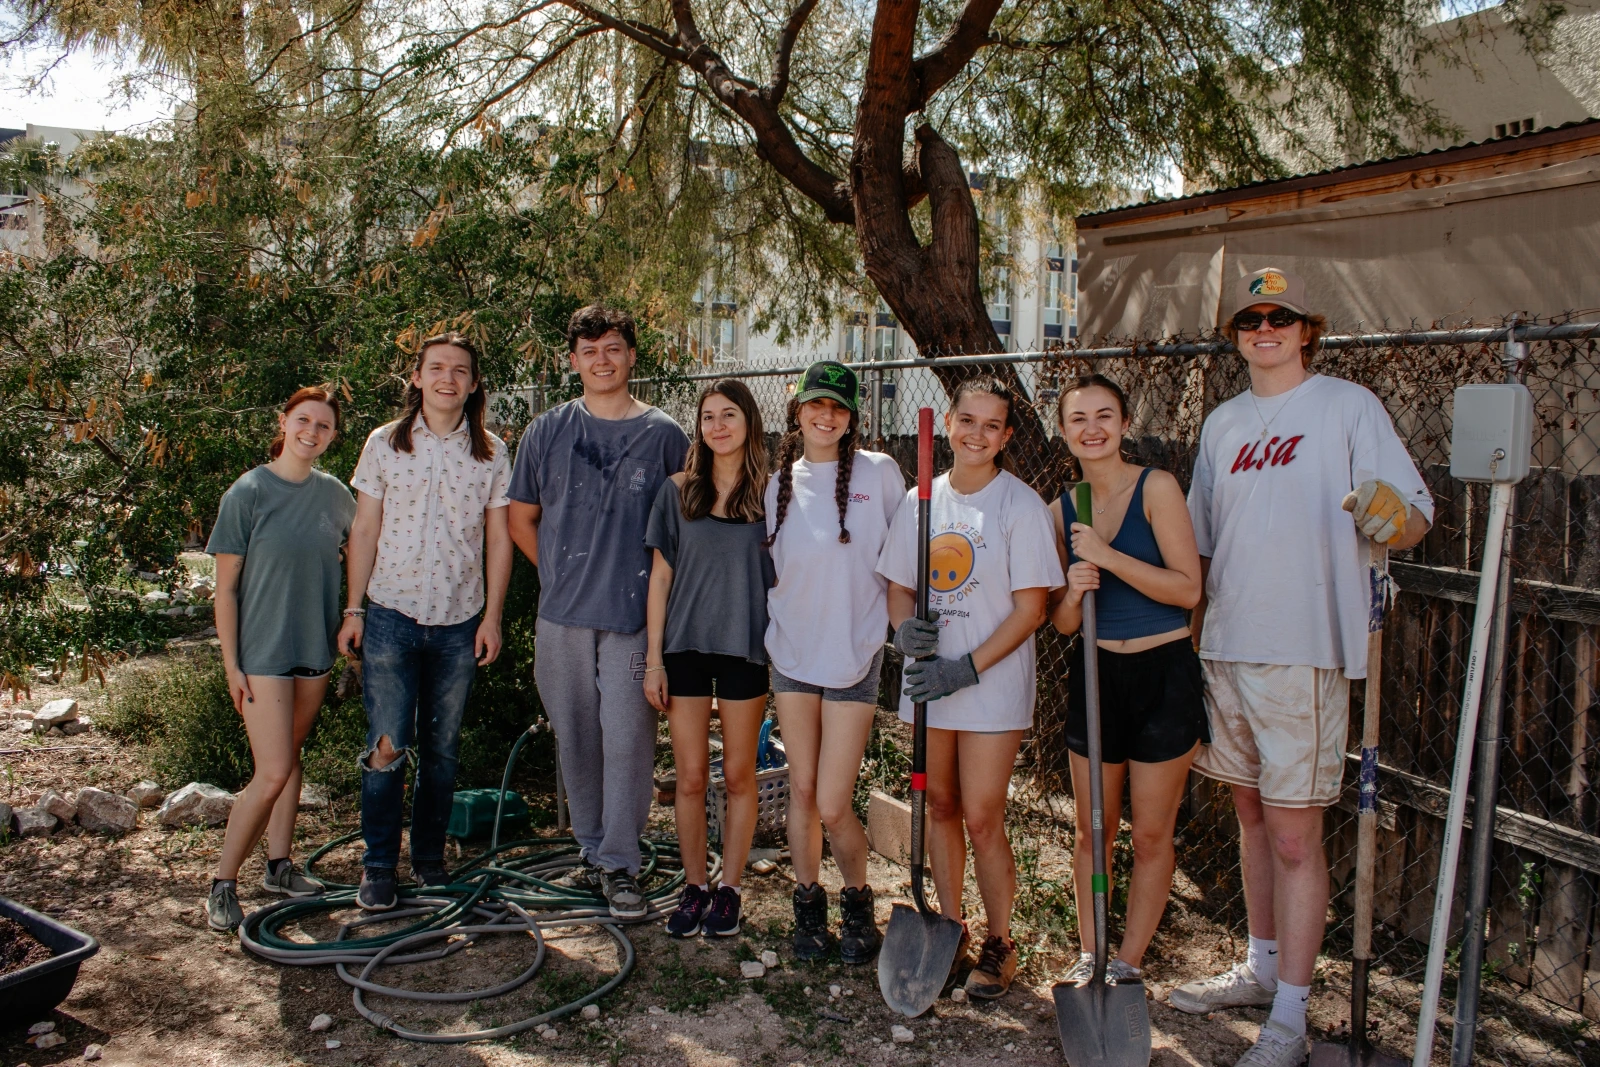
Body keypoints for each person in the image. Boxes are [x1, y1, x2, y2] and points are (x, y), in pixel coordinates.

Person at [1170, 268, 1433, 1067]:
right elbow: (1199, 542)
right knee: (1250, 816)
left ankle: (1290, 1014)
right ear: (1239, 334)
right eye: (1251, 319)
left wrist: (1403, 519)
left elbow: (1412, 512)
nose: (1265, 328)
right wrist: (1187, 633)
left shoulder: (1348, 407)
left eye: (1280, 316)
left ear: (1306, 329)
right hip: (1226, 643)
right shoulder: (1222, 424)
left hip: (1308, 648)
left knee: (1293, 837)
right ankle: (1259, 967)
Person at [878, 376, 1064, 999]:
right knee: (940, 808)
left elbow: (1031, 610)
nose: (977, 434)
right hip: (930, 684)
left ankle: (1000, 941)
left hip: (989, 687)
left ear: (1006, 436)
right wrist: (905, 632)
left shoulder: (1021, 506)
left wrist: (965, 668)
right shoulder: (919, 500)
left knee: (983, 817)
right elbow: (899, 586)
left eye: (992, 425)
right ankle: (950, 927)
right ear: (950, 424)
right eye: (968, 421)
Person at [508, 306, 690, 919]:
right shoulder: (547, 431)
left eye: (613, 348)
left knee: (629, 739)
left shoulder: (664, 435)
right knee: (577, 738)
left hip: (634, 617)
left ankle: (620, 863)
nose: (603, 360)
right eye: (590, 351)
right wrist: (556, 573)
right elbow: (521, 517)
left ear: (632, 356)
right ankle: (590, 850)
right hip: (561, 617)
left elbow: (682, 529)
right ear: (573, 361)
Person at [337, 332, 513, 912]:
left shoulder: (490, 451)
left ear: (474, 382)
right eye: (436, 367)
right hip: (390, 613)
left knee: (441, 749)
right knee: (387, 744)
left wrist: (492, 617)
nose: (447, 378)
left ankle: (431, 861)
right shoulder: (385, 445)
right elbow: (363, 530)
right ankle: (379, 866)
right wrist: (354, 608)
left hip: (460, 622)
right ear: (416, 377)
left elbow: (498, 539)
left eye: (460, 370)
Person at [1046, 374, 1205, 986]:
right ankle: (1092, 956)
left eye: (1104, 415)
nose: (1093, 428)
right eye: (1079, 418)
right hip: (1096, 673)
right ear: (1064, 432)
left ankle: (1129, 963)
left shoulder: (1156, 487)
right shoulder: (1060, 509)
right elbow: (1061, 623)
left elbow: (1188, 590)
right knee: (1093, 830)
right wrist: (1073, 591)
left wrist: (1108, 559)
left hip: (1163, 673)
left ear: (1123, 423)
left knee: (1151, 833)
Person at [765, 360, 905, 964]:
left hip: (854, 654)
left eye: (839, 408)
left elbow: (905, 555)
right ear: (798, 411)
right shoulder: (777, 485)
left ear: (852, 419)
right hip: (792, 654)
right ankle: (807, 903)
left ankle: (856, 900)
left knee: (831, 800)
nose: (827, 416)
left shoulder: (880, 473)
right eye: (816, 405)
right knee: (800, 788)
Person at [204, 387, 356, 931]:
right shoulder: (248, 491)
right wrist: (232, 665)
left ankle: (279, 867)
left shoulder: (337, 496)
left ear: (334, 436)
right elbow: (224, 592)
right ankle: (222, 883)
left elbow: (361, 557)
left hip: (313, 651)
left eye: (324, 426)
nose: (312, 431)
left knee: (290, 758)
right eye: (303, 420)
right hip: (261, 655)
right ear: (285, 421)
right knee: (270, 771)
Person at [644, 380, 774, 938]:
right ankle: (694, 885)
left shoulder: (772, 496)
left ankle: (731, 889)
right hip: (686, 648)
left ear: (749, 422)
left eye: (729, 415)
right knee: (692, 778)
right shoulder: (678, 491)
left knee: (741, 776)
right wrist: (654, 659)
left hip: (747, 648)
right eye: (708, 417)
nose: (717, 426)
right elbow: (660, 579)